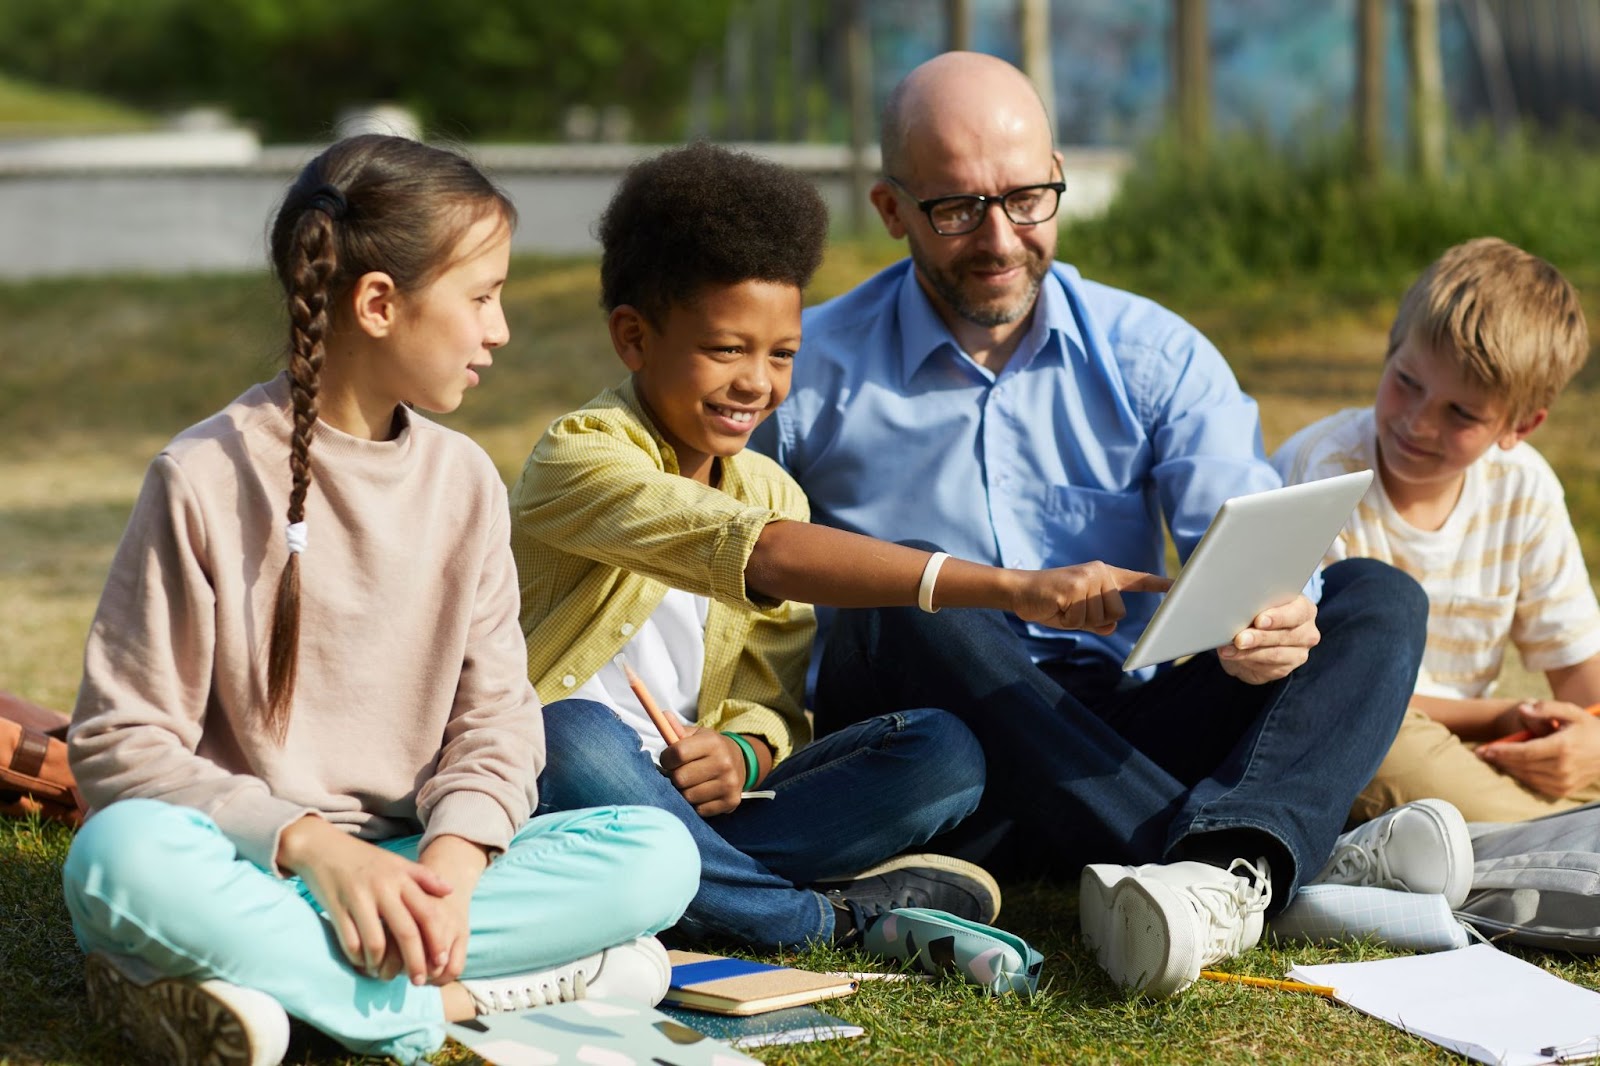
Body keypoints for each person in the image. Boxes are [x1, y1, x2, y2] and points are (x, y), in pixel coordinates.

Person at [751, 50, 1451, 998]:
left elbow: (1239, 536)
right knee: (904, 582)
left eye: (1028, 199)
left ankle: (1225, 860)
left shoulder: (1153, 352)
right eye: (956, 209)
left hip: (1117, 728)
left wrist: (1272, 611)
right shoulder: (808, 372)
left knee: (1373, 595)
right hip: (930, 756)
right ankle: (1260, 867)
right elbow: (734, 573)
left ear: (1060, 181)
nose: (999, 239)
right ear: (890, 210)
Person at [61, 134, 699, 1066]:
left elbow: (497, 723)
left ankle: (255, 985)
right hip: (251, 867)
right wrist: (315, 847)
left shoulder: (466, 483)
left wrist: (452, 865)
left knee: (656, 853)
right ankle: (431, 1007)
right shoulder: (203, 476)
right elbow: (119, 748)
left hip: (408, 876)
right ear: (377, 304)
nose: (501, 329)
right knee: (119, 861)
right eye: (481, 297)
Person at [511, 141, 1179, 955]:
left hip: (703, 811)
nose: (757, 382)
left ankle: (692, 887)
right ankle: (826, 922)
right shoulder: (578, 455)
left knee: (946, 751)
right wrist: (1007, 586)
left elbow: (771, 702)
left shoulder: (770, 487)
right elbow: (756, 552)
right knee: (570, 730)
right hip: (569, 787)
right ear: (633, 337)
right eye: (726, 349)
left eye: (782, 354)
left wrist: (743, 757)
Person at [1275, 237, 1600, 824]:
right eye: (1407, 382)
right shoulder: (1321, 473)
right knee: (1390, 753)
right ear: (1390, 350)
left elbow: (1581, 668)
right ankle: (1544, 836)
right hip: (1343, 731)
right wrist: (1499, 718)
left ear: (1520, 425)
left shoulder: (1524, 487)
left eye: (1461, 414)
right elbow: (1325, 687)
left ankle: (1510, 833)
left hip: (1461, 757)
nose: (1418, 422)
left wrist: (1588, 740)